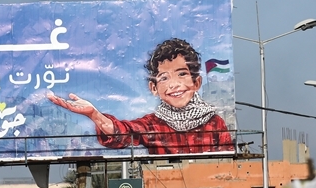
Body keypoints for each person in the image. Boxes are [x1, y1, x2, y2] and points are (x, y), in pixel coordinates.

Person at [47, 38, 234, 155]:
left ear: (197, 82)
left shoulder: (215, 123)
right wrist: (95, 115)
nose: (174, 84)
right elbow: (122, 132)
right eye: (164, 77)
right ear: (154, 87)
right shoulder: (152, 125)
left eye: (182, 74)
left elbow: (229, 165)